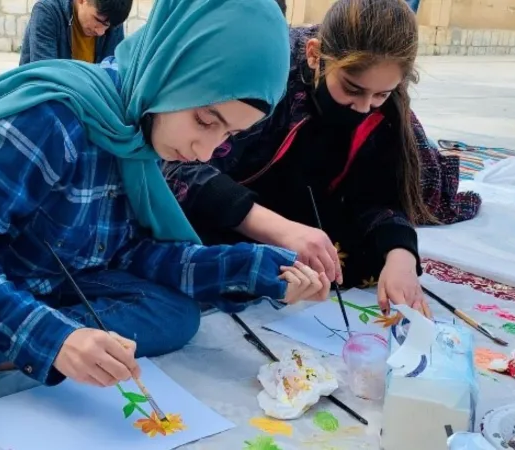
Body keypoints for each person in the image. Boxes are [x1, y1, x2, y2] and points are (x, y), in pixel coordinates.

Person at [0, 0, 323, 415]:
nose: (206, 151)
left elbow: (129, 254)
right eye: (206, 120)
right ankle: (12, 338)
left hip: (46, 270)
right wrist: (51, 336)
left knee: (176, 316)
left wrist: (256, 266)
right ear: (171, 71)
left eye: (229, 134)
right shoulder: (52, 119)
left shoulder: (143, 132)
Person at [164, 0, 480, 317]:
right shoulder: (267, 72)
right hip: (236, 197)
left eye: (381, 94)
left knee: (362, 256)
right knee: (204, 254)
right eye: (352, 88)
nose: (363, 107)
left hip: (310, 205)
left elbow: (379, 194)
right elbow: (179, 167)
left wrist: (402, 257)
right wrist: (279, 229)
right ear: (315, 55)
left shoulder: (383, 109)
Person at [19, 0, 131, 65]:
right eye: (98, 20)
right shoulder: (48, 12)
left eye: (108, 26)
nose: (101, 32)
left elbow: (113, 76)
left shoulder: (112, 21)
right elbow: (45, 75)